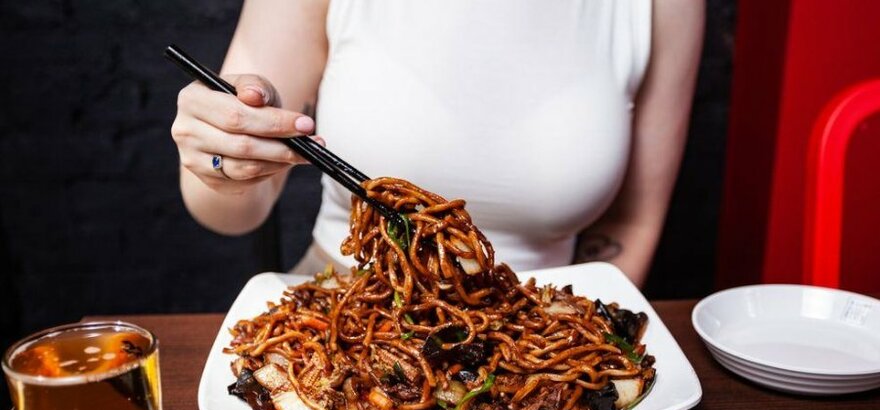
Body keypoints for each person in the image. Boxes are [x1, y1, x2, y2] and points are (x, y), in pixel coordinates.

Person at [171, 0, 704, 287]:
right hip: (333, 300)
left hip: (541, 324)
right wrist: (221, 161)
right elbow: (230, 213)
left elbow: (631, 225)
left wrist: (565, 344)